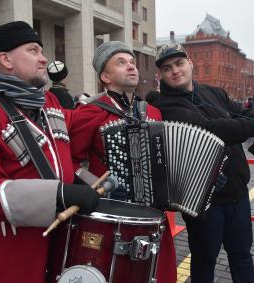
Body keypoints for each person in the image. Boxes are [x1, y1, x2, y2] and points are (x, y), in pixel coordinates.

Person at [0, 21, 100, 282]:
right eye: (33, 50)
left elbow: (78, 130)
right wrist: (58, 194)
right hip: (15, 255)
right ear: (6, 59)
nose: (43, 59)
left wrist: (94, 183)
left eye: (41, 51)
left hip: (64, 242)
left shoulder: (48, 102)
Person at [152, 42, 254, 283]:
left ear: (190, 64)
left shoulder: (214, 92)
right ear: (161, 75)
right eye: (167, 68)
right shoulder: (166, 105)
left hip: (237, 194)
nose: (175, 70)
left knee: (242, 256)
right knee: (204, 262)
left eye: (179, 63)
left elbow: (238, 113)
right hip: (204, 203)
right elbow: (212, 129)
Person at [69, 41, 177, 282]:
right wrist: (99, 185)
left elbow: (163, 159)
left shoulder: (153, 113)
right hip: (110, 215)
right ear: (105, 77)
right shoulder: (91, 112)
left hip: (151, 214)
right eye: (121, 63)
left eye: (132, 62)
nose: (131, 67)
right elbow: (70, 162)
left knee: (155, 274)